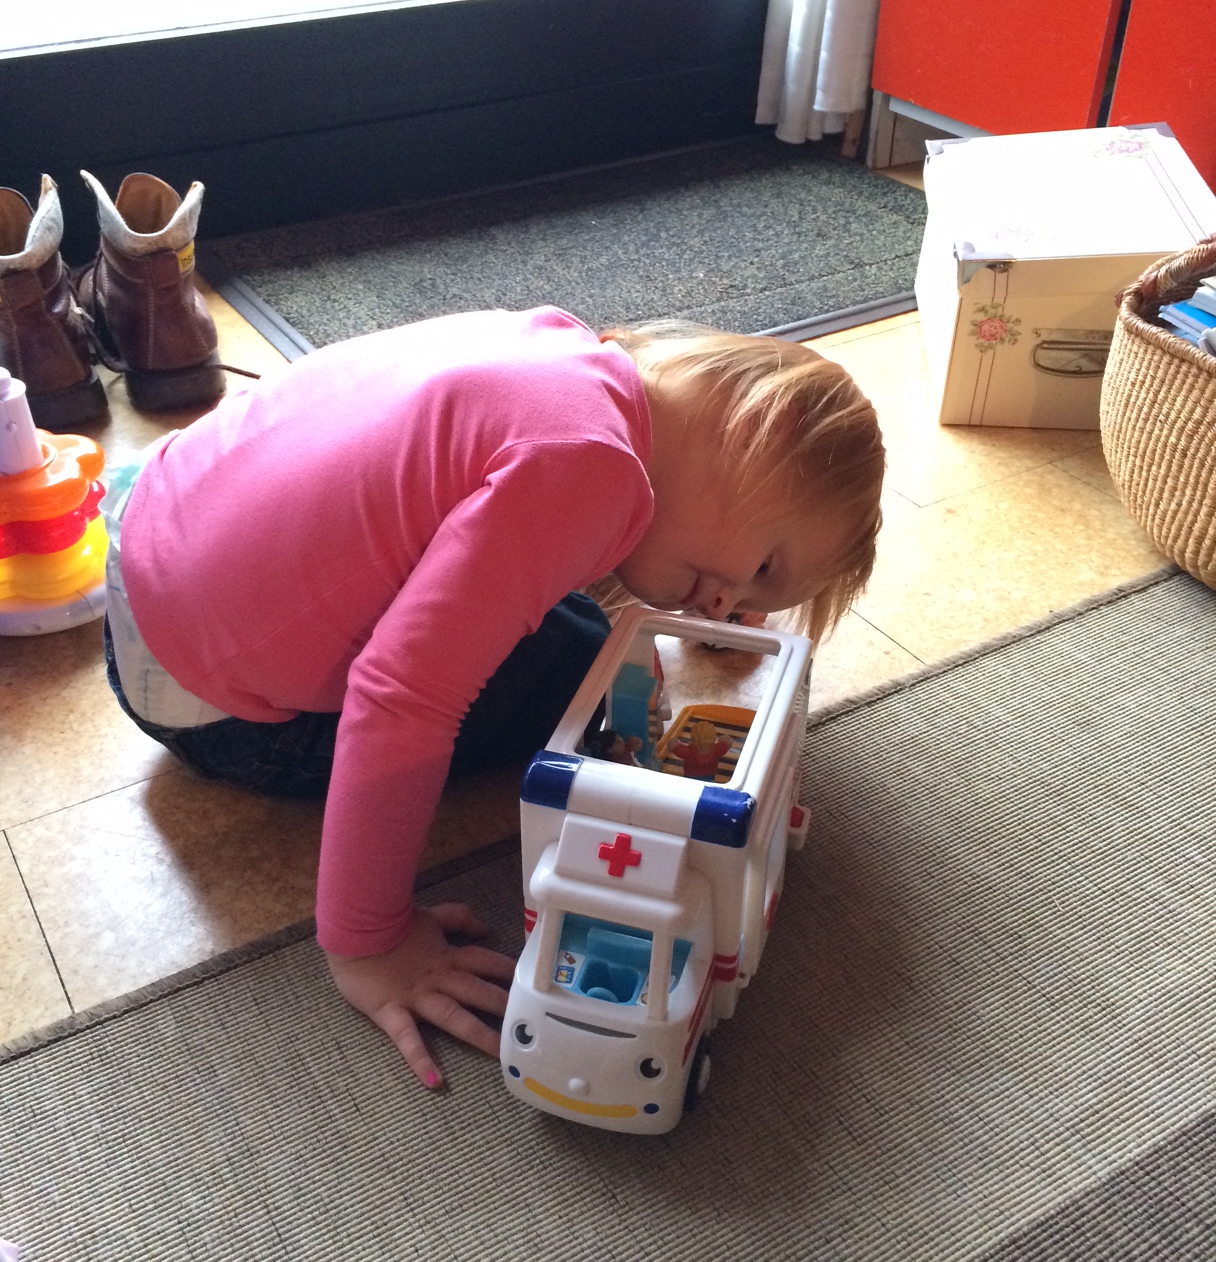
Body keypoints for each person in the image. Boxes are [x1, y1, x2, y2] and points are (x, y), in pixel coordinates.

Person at [103, 306, 884, 1089]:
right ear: (757, 428)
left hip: (156, 538)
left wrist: (725, 577)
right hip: (213, 702)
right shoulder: (591, 471)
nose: (722, 606)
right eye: (762, 570)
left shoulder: (569, 352)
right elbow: (401, 698)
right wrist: (370, 941)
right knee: (577, 663)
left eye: (748, 602)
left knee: (564, 617)